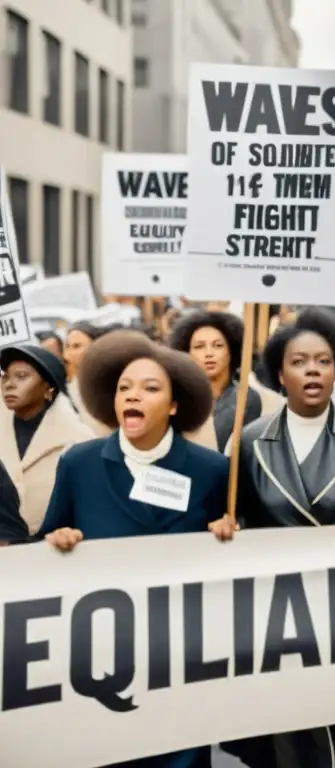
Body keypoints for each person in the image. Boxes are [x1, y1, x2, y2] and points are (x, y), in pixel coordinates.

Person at [37, 330, 233, 768]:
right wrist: (58, 538)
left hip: (178, 653)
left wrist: (227, 531)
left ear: (175, 404)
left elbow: (231, 556)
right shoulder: (79, 464)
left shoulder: (212, 471)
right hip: (104, 650)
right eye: (124, 387)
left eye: (149, 388)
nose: (133, 395)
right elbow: (47, 538)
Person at [222, 307, 335, 768]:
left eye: (323, 360)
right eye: (299, 362)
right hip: (276, 615)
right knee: (287, 737)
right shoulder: (250, 442)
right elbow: (234, 520)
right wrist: (225, 526)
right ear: (280, 373)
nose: (312, 369)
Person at [0, 343, 92, 533]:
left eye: (22, 376)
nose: (9, 384)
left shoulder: (80, 440)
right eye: (5, 376)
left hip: (57, 554)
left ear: (48, 388)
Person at [168, 309, 283, 452]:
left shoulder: (253, 399)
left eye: (218, 345)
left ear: (231, 351)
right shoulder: (177, 401)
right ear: (187, 354)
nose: (209, 353)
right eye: (199, 347)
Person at [64, 321, 113, 436]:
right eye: (68, 346)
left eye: (77, 346)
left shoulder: (112, 381)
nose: (71, 352)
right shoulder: (67, 389)